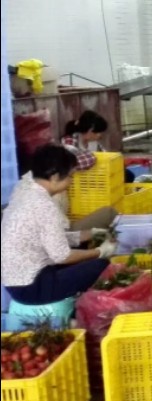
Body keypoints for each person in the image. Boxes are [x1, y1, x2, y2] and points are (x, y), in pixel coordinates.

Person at [1, 145, 118, 305]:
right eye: (70, 176)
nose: (71, 181)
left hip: (19, 282)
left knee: (84, 256)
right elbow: (62, 256)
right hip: (32, 286)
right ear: (55, 177)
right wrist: (100, 252)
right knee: (101, 266)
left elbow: (54, 238)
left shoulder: (27, 192)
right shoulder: (43, 204)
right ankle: (87, 307)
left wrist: (92, 233)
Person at [61, 110, 135, 185]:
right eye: (99, 132)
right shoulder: (70, 141)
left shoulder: (94, 142)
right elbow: (69, 164)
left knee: (127, 175)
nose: (100, 135)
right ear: (90, 130)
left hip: (96, 174)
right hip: (80, 179)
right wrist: (92, 158)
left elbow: (105, 156)